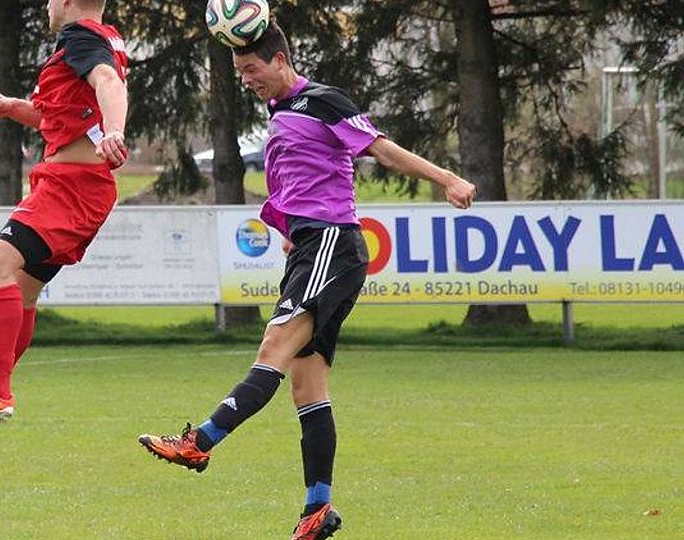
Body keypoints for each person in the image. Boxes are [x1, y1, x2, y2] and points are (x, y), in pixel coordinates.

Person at [138, 21, 476, 540]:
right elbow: (295, 179)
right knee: (306, 384)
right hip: (311, 246)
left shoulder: (323, 100)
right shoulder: (280, 115)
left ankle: (200, 441)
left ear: (279, 60)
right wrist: (287, 228)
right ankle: (318, 508)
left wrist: (447, 179)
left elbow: (381, 149)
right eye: (240, 72)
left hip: (333, 245)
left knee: (274, 344)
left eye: (251, 69)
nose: (247, 79)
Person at [0, 0, 128, 435]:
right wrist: (13, 107)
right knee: (21, 293)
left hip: (72, 186)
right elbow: (65, 119)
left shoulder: (79, 36)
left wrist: (114, 131)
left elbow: (108, 82)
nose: (46, 5)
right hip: (79, 186)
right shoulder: (103, 38)